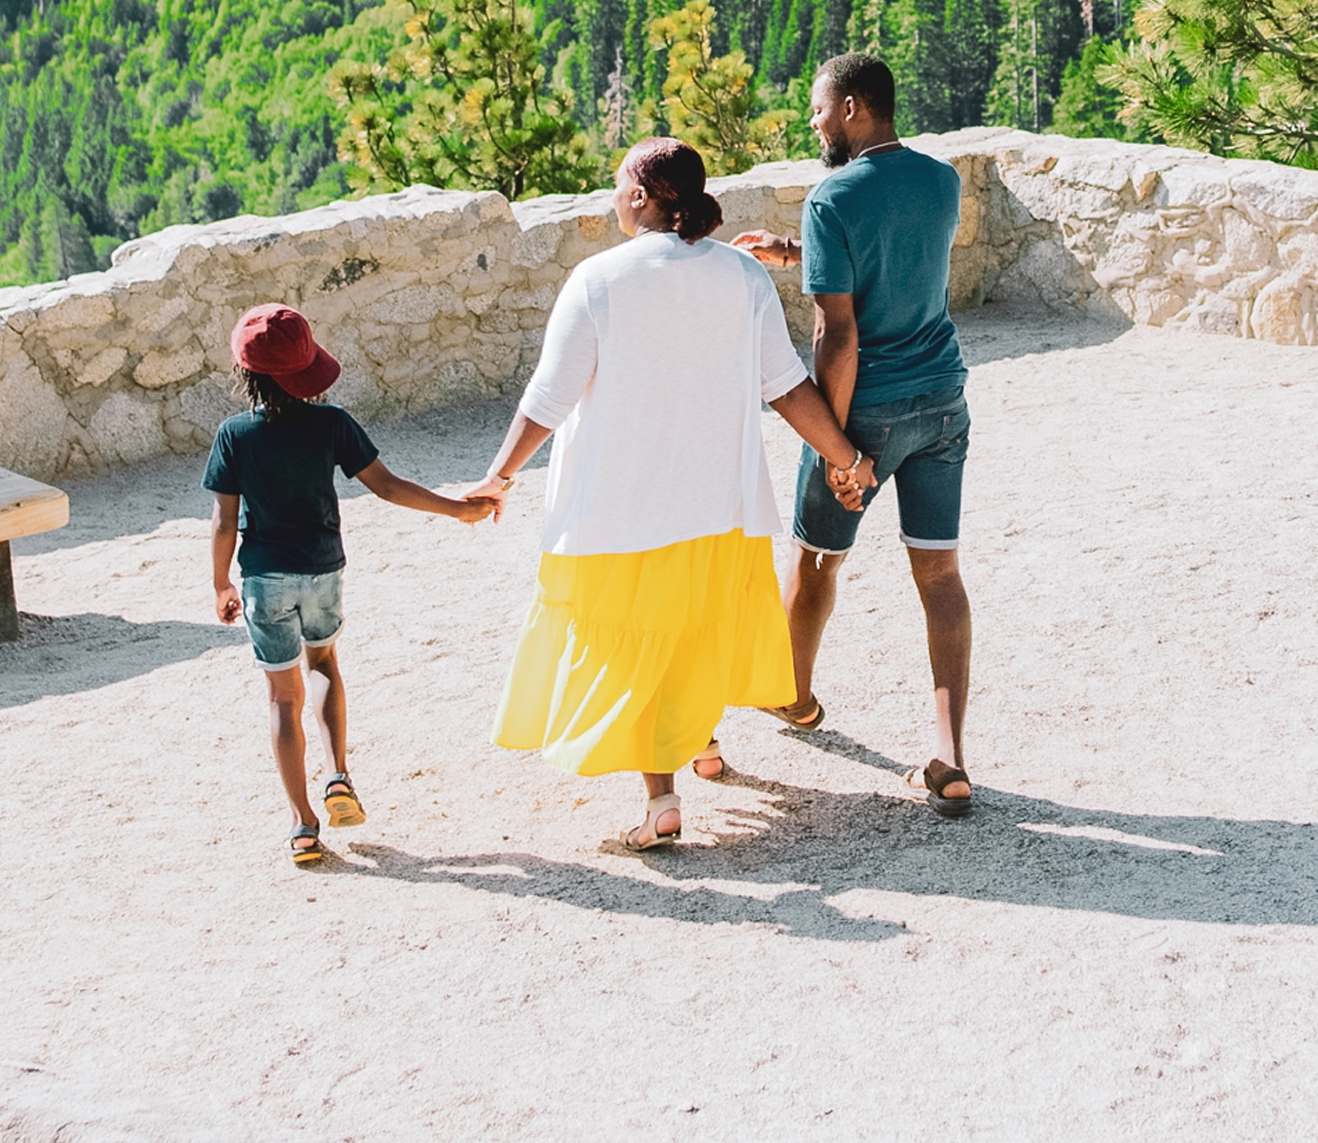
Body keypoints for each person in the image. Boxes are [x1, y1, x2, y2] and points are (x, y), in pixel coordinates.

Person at [468, 138, 876, 853]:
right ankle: (706, 744)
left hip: (621, 512)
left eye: (617, 185)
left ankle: (661, 800)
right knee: (693, 626)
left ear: (638, 197)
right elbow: (785, 386)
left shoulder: (598, 280)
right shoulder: (741, 277)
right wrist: (845, 457)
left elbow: (549, 399)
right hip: (720, 506)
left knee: (643, 649)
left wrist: (497, 476)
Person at [732, 52, 978, 816]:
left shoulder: (831, 195)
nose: (812, 121)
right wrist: (797, 258)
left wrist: (839, 449)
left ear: (852, 109)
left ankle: (794, 697)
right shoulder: (942, 181)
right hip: (943, 399)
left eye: (818, 108)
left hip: (865, 410)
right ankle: (951, 757)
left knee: (815, 564)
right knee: (939, 577)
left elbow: (837, 331)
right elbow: (899, 257)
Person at [205, 302, 498, 868]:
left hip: (264, 578)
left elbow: (223, 520)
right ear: (307, 367)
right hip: (323, 569)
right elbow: (386, 487)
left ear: (246, 374)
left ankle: (303, 825)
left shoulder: (233, 436)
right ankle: (339, 775)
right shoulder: (331, 424)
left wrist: (220, 582)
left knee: (281, 699)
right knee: (324, 666)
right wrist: (457, 510)